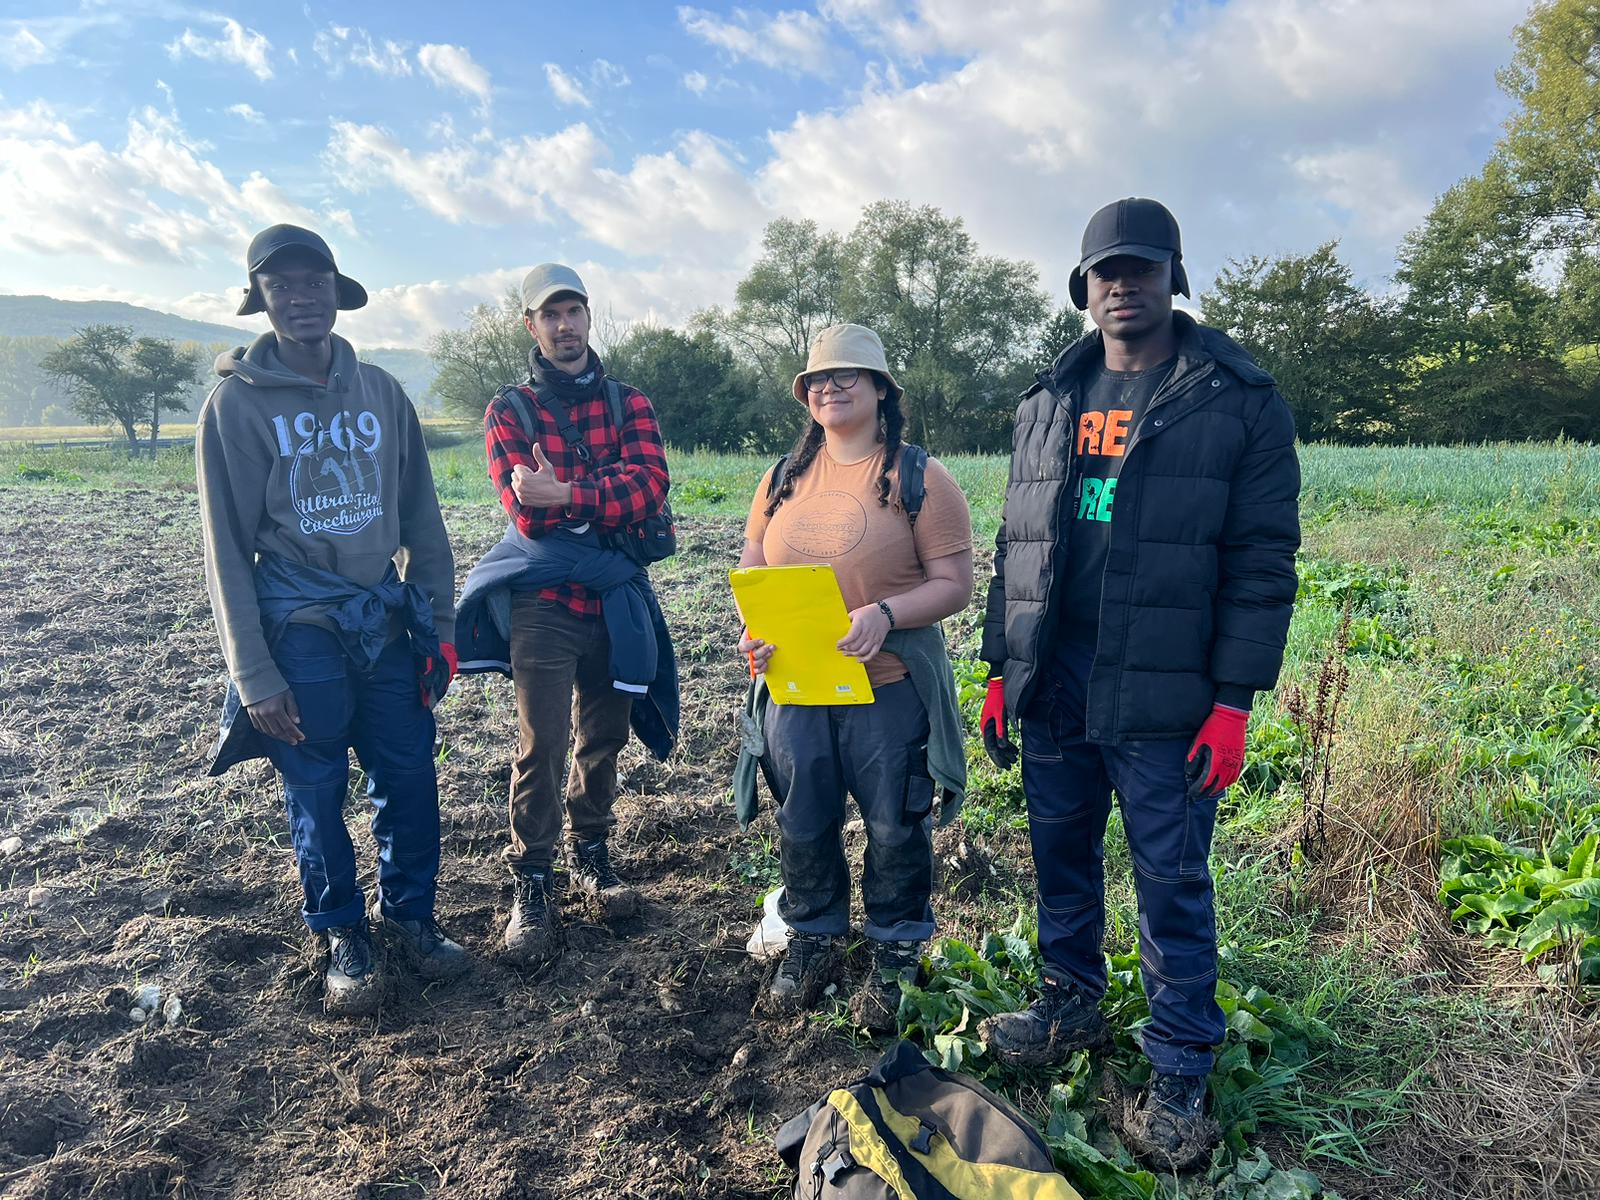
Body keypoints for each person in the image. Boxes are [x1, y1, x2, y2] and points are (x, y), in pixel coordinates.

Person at [976, 198, 1301, 1167]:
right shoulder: (1049, 397)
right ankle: (1068, 1003)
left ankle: (1178, 1070)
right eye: (1105, 272)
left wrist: (1234, 701)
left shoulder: (1235, 398)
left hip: (1165, 685)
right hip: (1059, 676)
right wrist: (1003, 664)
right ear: (1083, 289)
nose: (1123, 286)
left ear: (1173, 276)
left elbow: (1260, 560)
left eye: (1141, 268)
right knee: (1061, 855)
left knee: (1170, 882)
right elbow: (1018, 542)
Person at [197, 224, 467, 1015]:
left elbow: (423, 520)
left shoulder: (382, 393)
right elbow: (225, 552)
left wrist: (441, 628)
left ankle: (412, 917)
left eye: (315, 281)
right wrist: (254, 674)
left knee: (410, 775)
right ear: (262, 300)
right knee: (315, 790)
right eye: (282, 286)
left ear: (337, 291)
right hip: (298, 626)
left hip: (384, 620)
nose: (302, 297)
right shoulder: (236, 409)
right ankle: (342, 932)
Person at [736, 323, 973, 1031]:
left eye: (847, 376)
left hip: (889, 683)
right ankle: (813, 936)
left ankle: (896, 950)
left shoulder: (917, 476)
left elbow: (954, 582)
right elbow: (753, 559)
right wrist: (757, 628)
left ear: (879, 389)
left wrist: (886, 613)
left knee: (896, 822)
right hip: (798, 686)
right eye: (817, 380)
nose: (829, 387)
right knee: (801, 818)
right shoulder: (781, 478)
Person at [483, 263, 671, 966]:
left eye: (574, 313)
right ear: (531, 326)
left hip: (617, 602)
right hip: (546, 607)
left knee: (605, 736)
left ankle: (591, 851)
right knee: (543, 746)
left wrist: (565, 492)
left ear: (590, 318)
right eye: (549, 316)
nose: (564, 327)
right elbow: (526, 517)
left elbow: (650, 487)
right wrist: (581, 495)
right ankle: (530, 882)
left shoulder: (631, 405)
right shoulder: (511, 411)